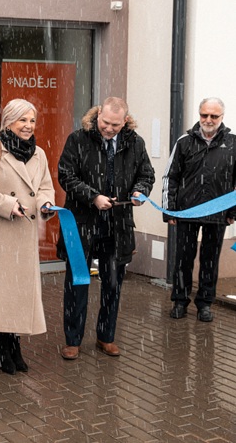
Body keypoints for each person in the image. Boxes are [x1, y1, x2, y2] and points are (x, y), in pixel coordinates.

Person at [57, 97, 155, 360]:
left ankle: (106, 337)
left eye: (115, 124)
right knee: (77, 282)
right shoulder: (78, 139)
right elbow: (65, 175)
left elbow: (147, 174)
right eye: (106, 122)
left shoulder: (135, 143)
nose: (109, 128)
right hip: (82, 223)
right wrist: (93, 197)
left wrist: (140, 191)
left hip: (118, 226)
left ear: (125, 121)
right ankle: (73, 340)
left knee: (113, 284)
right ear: (98, 114)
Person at [0, 99, 56, 374]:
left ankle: (16, 347)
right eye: (23, 120)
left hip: (26, 234)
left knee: (20, 294)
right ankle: (3, 349)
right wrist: (8, 204)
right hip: (1, 233)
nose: (29, 126)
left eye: (32, 120)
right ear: (8, 122)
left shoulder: (39, 153)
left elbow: (45, 187)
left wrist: (45, 204)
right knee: (2, 295)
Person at [162, 97, 236, 322]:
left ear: (222, 117)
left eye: (214, 116)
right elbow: (170, 177)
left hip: (218, 213)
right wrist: (169, 209)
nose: (208, 119)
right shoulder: (184, 142)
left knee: (210, 261)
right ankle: (179, 301)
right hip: (187, 212)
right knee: (183, 259)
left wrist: (233, 212)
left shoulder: (233, 143)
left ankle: (205, 304)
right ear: (199, 114)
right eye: (204, 115)